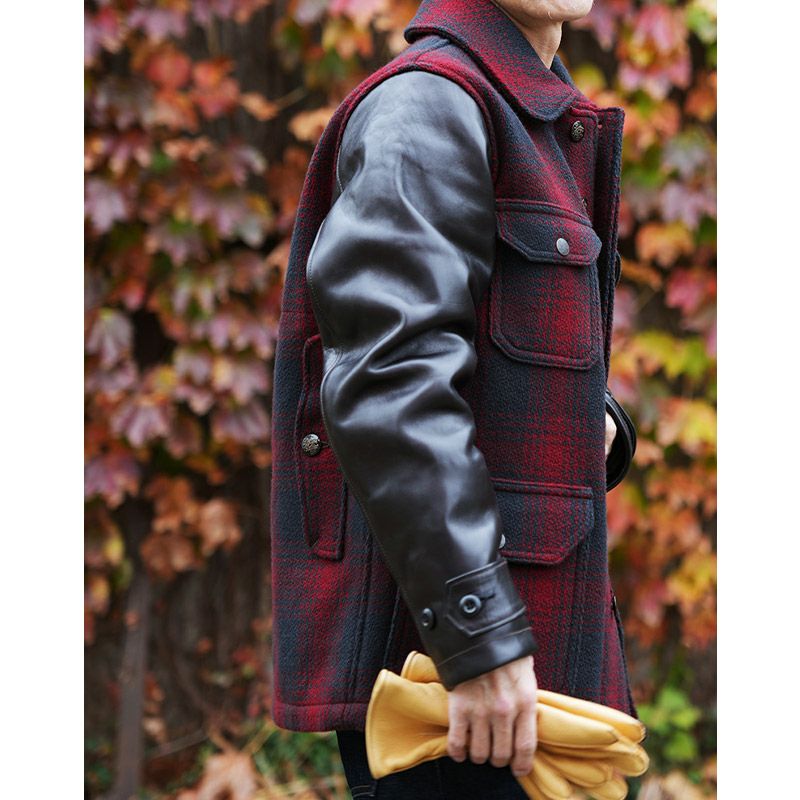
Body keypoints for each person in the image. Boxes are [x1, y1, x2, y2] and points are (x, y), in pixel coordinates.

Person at [269, 0, 638, 796]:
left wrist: (595, 418)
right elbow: (391, 382)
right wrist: (480, 639)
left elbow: (492, 352)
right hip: (455, 681)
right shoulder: (426, 105)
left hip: (530, 657)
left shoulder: (531, 113)